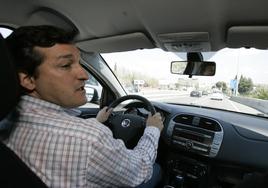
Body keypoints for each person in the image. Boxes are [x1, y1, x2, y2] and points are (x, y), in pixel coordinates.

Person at [3, 25, 164, 188]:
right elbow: (140, 169)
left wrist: (97, 120)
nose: (84, 75)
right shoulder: (90, 138)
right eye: (66, 65)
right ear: (28, 79)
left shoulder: (6, 119)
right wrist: (153, 130)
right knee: (156, 170)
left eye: (79, 63)